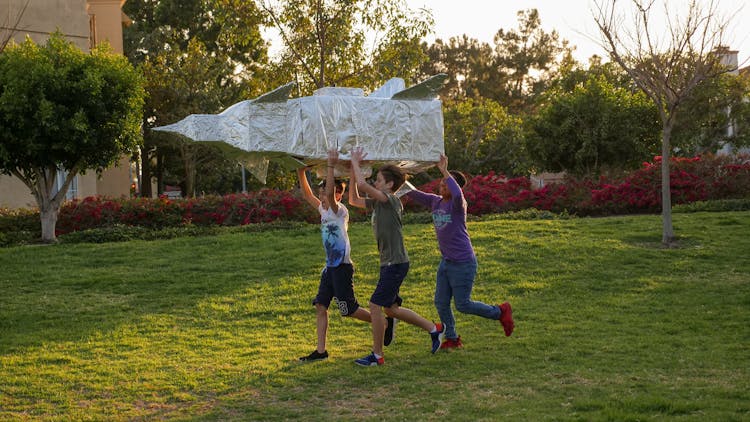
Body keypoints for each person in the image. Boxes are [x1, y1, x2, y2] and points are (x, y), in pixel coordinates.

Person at [406, 154, 514, 351]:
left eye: (447, 184)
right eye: (441, 183)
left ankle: (500, 311)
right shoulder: (435, 202)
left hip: (463, 262)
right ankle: (452, 338)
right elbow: (412, 193)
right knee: (441, 302)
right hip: (446, 262)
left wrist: (445, 171)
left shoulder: (457, 205)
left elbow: (456, 194)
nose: (442, 186)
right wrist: (399, 176)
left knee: (463, 304)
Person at [348, 146, 444, 366]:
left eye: (379, 180)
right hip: (391, 264)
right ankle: (435, 329)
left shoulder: (390, 201)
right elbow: (354, 198)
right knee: (391, 309)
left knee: (374, 305)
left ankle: (377, 356)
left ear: (389, 185)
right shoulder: (380, 202)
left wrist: (354, 161)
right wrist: (353, 171)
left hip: (395, 264)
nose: (375, 183)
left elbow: (363, 185)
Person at [296, 148, 373, 362]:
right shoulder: (323, 210)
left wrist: (330, 165)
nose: (322, 196)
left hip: (342, 267)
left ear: (339, 195)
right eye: (320, 194)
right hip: (329, 268)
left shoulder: (340, 211)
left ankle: (381, 322)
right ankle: (321, 351)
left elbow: (330, 193)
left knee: (347, 309)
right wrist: (301, 171)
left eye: (326, 193)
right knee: (321, 305)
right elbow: (306, 194)